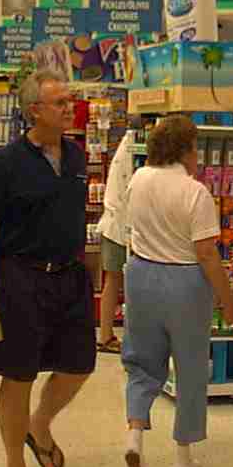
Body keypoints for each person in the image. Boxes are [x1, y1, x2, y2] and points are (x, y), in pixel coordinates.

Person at [0, 70, 94, 467]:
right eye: (60, 102)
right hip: (21, 277)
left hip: (71, 277)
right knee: (18, 374)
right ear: (34, 110)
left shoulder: (77, 157)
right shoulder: (7, 162)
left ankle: (39, 424)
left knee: (79, 365)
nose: (69, 107)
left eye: (70, 100)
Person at [120, 115, 233, 467]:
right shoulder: (195, 192)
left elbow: (130, 227)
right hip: (185, 283)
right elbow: (206, 253)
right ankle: (183, 458)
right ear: (187, 149)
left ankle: (135, 437)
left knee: (141, 364)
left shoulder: (139, 178)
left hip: (140, 275)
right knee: (188, 370)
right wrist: (228, 301)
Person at [96, 129, 134, 354]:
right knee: (121, 281)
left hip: (114, 223)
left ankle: (105, 335)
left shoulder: (124, 147)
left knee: (113, 280)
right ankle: (107, 336)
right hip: (120, 224)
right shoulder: (131, 148)